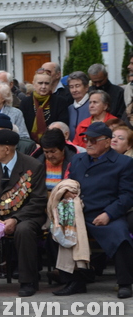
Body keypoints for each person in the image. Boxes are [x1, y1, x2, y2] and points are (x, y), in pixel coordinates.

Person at [53, 122, 133, 299]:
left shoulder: (124, 163)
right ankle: (75, 281)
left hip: (107, 212)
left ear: (107, 142)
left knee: (120, 236)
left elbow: (127, 195)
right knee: (63, 231)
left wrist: (108, 214)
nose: (89, 143)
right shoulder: (78, 159)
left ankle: (125, 283)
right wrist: (66, 193)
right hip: (80, 212)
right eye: (87, 139)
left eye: (94, 140)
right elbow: (71, 183)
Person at [0, 129, 47, 297]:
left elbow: (38, 201)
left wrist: (15, 218)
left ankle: (27, 281)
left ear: (7, 149)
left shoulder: (33, 166)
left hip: (27, 215)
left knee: (23, 230)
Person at [20, 71, 69, 143]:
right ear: (33, 84)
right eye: (40, 83)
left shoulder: (60, 102)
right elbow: (22, 127)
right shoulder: (25, 102)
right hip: (31, 144)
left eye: (47, 83)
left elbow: (62, 125)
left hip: (54, 143)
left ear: (51, 85)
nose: (43, 86)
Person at [38, 129, 74, 193]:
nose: (49, 156)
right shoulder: (37, 163)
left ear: (62, 148)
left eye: (53, 151)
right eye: (46, 152)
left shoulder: (74, 162)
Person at [66, 71, 91, 140]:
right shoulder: (70, 108)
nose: (74, 90)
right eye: (71, 87)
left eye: (77, 86)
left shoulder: (92, 105)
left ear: (86, 87)